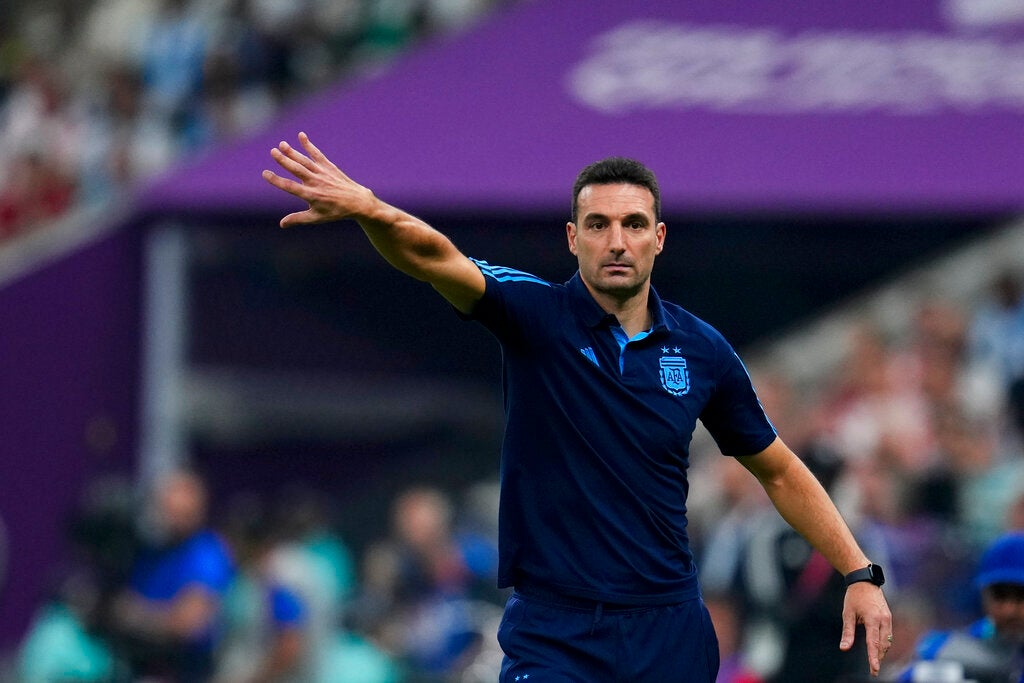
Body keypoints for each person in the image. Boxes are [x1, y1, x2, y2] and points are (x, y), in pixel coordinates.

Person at [261, 133, 893, 682]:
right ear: (572, 238)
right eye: (598, 225)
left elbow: (778, 469)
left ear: (659, 238)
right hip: (555, 630)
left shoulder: (703, 351)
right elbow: (432, 257)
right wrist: (372, 210)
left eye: (634, 224)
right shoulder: (534, 315)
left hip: (667, 628)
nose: (616, 241)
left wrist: (859, 573)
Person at [109, 467, 235, 681]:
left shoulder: (207, 554)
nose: (172, 514)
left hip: (186, 670)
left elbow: (187, 623)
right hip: (138, 666)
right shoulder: (152, 553)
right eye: (167, 505)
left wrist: (133, 614)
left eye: (182, 508)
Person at [898, 532, 1024, 683]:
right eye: (999, 595)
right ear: (984, 595)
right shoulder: (949, 649)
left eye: (1021, 595)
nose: (1009, 610)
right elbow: (909, 676)